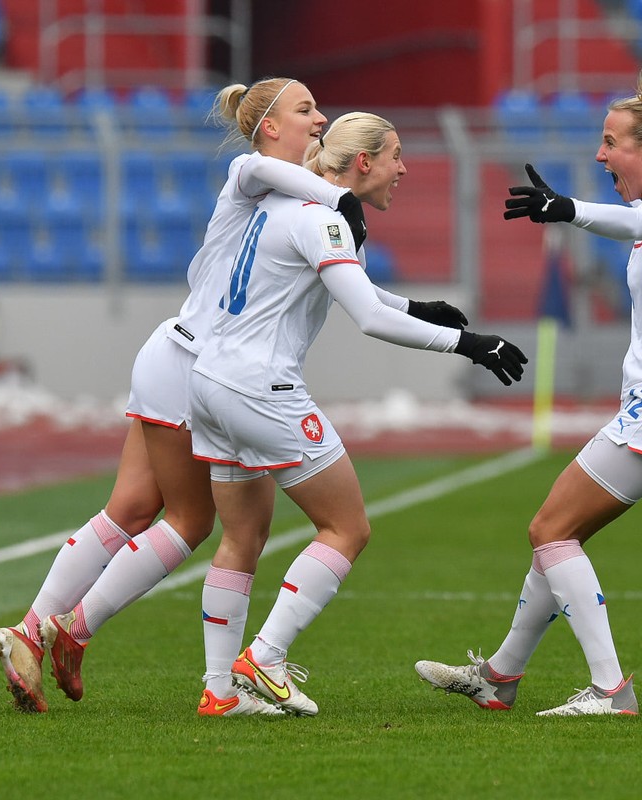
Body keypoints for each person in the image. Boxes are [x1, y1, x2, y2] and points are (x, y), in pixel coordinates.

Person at [0, 76, 370, 716]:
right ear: (269, 124)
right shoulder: (259, 177)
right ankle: (67, 629)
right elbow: (253, 164)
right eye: (305, 109)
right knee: (192, 521)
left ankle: (35, 628)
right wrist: (340, 196)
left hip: (174, 349)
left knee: (131, 507)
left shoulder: (285, 193)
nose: (320, 117)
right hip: (198, 362)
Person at [415, 56, 642, 716]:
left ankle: (611, 690)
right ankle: (500, 677)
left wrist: (567, 209)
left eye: (610, 142)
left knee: (548, 529)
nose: (599, 152)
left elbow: (638, 223)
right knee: (560, 537)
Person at [188, 111, 529, 717]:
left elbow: (356, 292)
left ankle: (219, 693)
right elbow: (368, 317)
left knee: (241, 537)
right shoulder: (324, 218)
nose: (404, 168)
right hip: (260, 388)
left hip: (209, 382)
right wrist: (472, 345)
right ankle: (264, 658)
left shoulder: (281, 204)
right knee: (347, 528)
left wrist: (417, 307)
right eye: (396, 155)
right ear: (364, 162)